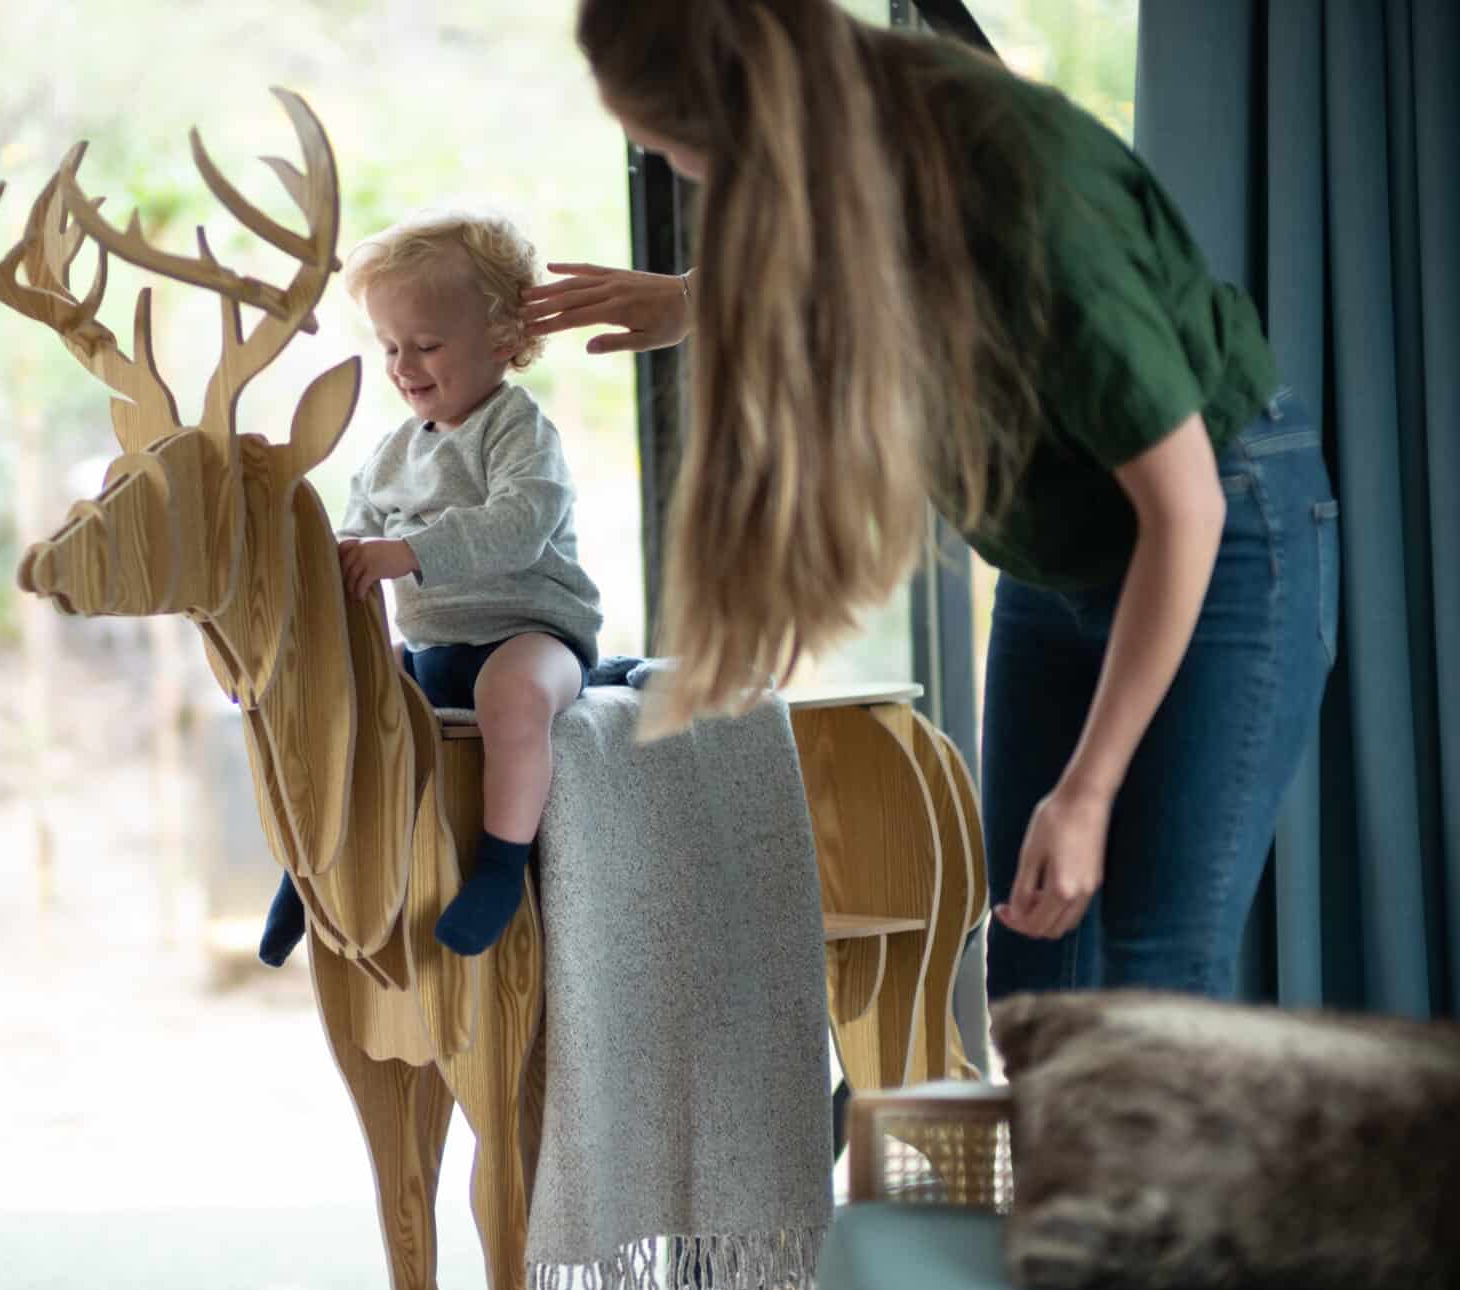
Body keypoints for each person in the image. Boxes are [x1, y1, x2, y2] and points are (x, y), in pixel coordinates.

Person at [524, 0, 1338, 1001]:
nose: (695, 177)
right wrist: (696, 295)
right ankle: (1055, 1164)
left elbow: (1183, 510)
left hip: (1214, 534)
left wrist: (1085, 792)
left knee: (1155, 975)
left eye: (688, 149)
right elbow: (859, 248)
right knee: (1034, 974)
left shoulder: (1027, 187)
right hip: (1052, 559)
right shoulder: (851, 135)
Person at [259, 208, 604, 966]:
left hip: (533, 634)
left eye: (426, 344)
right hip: (434, 646)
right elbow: (351, 539)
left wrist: (406, 552)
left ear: (504, 342)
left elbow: (522, 520)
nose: (402, 364)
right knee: (340, 707)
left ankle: (499, 868)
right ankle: (308, 871)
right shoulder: (390, 452)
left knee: (512, 694)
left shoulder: (516, 428)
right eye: (389, 345)